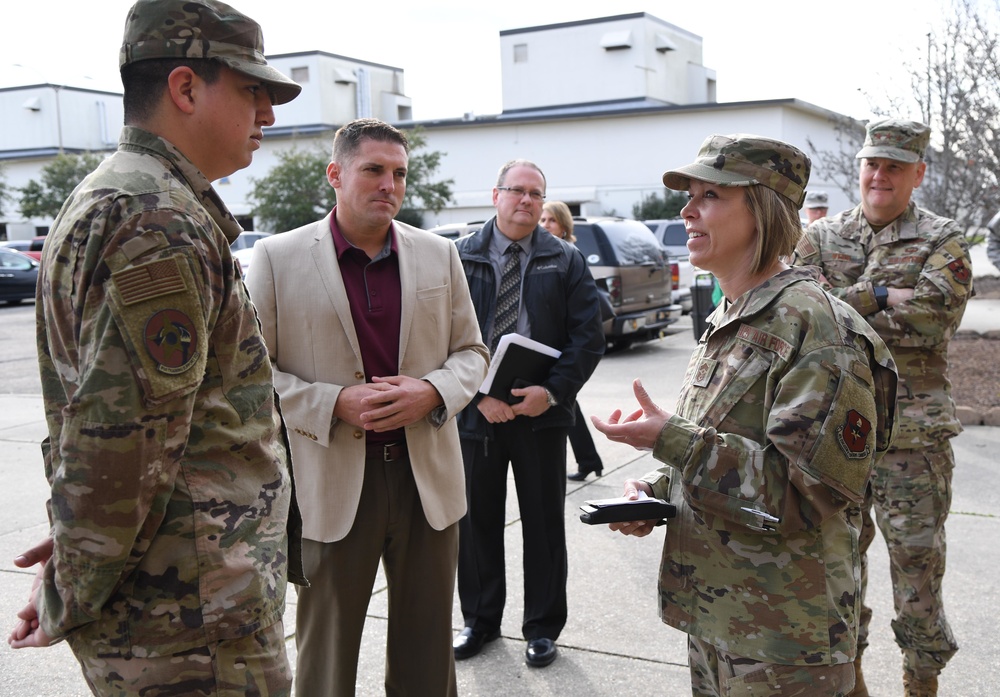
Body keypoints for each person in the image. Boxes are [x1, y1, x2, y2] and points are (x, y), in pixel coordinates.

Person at [6, 1, 304, 694]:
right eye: (252, 90)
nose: (269, 115)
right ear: (185, 88)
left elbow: (115, 429)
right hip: (194, 629)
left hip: (179, 604)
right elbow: (122, 446)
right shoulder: (156, 219)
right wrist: (70, 588)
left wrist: (77, 558)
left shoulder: (121, 198)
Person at [591, 134, 898, 697]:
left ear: (761, 211)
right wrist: (660, 491)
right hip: (720, 620)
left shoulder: (817, 328)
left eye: (710, 194)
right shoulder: (733, 314)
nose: (686, 210)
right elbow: (728, 446)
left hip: (784, 642)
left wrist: (674, 441)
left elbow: (813, 495)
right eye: (690, 194)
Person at [245, 118, 489, 697]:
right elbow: (250, 376)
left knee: (427, 655)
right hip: (329, 484)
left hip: (425, 480)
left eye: (399, 173)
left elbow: (472, 354)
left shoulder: (439, 255)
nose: (390, 184)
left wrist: (430, 391)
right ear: (335, 174)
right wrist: (333, 403)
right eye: (374, 170)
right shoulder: (276, 258)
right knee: (326, 656)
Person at [792, 118, 972, 697]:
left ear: (918, 173)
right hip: (836, 438)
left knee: (917, 577)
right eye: (873, 162)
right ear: (860, 167)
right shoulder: (820, 236)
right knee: (836, 574)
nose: (880, 174)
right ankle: (854, 684)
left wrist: (845, 307)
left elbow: (931, 318)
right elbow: (800, 310)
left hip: (912, 444)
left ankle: (921, 684)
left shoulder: (943, 239)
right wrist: (878, 294)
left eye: (895, 165)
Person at [453, 160, 605, 668]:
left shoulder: (565, 260)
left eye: (536, 194)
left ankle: (541, 629)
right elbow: (437, 336)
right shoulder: (459, 256)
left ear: (544, 203)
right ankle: (479, 621)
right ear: (495, 195)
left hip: (541, 415)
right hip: (477, 414)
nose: (526, 200)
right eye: (516, 190)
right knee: (475, 523)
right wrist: (478, 395)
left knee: (542, 525)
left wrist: (553, 392)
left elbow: (589, 338)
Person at [541, 200, 606, 481]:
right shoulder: (544, 254)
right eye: (542, 220)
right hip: (555, 350)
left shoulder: (570, 256)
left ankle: (589, 461)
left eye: (551, 221)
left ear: (564, 226)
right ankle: (590, 461)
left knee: (564, 404)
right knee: (568, 405)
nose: (544, 225)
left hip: (569, 350)